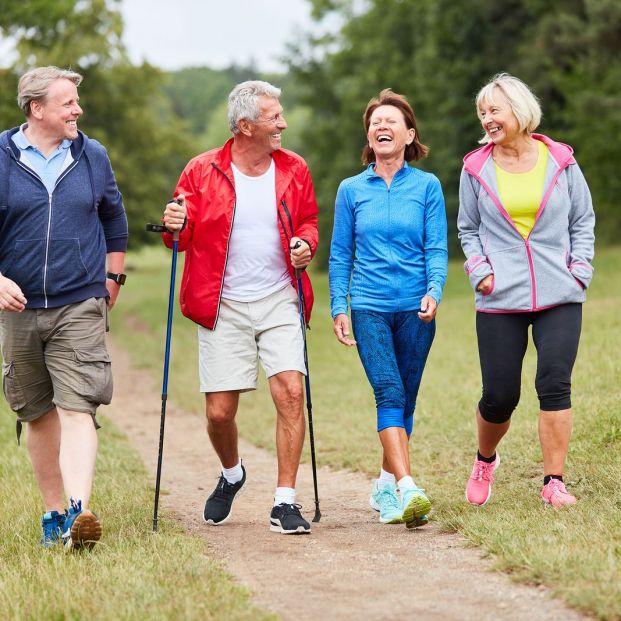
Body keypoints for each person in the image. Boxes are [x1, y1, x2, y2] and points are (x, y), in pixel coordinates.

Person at [161, 81, 319, 534]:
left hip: (278, 297)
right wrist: (175, 223)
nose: (283, 123)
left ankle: (285, 501)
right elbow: (180, 236)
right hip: (221, 302)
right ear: (245, 126)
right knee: (219, 414)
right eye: (274, 117)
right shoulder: (201, 170)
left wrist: (305, 245)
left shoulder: (294, 168)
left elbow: (308, 221)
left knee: (291, 389)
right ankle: (232, 473)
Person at [0, 66, 128, 549]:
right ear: (37, 109)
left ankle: (79, 511)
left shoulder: (91, 155)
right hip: (17, 309)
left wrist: (112, 278)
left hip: (79, 302)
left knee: (78, 407)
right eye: (68, 102)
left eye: (77, 101)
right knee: (36, 413)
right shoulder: (1, 157)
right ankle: (54, 514)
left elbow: (114, 219)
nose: (79, 110)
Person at [457, 73, 595, 508]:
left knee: (554, 384)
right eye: (483, 112)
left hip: (560, 291)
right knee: (500, 396)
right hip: (500, 296)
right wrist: (480, 272)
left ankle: (553, 481)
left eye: (494, 110)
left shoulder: (561, 160)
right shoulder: (475, 168)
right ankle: (485, 459)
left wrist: (579, 270)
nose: (487, 118)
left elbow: (582, 220)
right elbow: (468, 228)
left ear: (519, 109)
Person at [329, 89, 448, 527]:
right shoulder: (351, 190)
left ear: (409, 134)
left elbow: (437, 247)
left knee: (407, 401)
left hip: (417, 308)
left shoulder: (428, 186)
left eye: (391, 121)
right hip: (369, 306)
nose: (381, 126)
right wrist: (338, 306)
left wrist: (435, 289)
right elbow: (341, 254)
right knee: (389, 392)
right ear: (369, 135)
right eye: (375, 121)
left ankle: (384, 483)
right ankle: (408, 487)